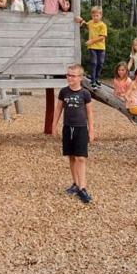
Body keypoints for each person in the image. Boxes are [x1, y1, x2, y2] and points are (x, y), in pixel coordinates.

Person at [52, 64, 95, 204]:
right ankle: (75, 184)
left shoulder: (85, 94)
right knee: (71, 157)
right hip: (67, 128)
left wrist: (92, 130)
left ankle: (83, 188)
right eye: (68, 75)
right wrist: (54, 125)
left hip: (81, 128)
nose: (70, 77)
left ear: (80, 77)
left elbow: (89, 113)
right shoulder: (64, 92)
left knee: (81, 158)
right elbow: (58, 109)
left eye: (73, 75)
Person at [77, 6, 107, 88]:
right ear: (91, 15)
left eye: (97, 16)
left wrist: (92, 41)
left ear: (101, 15)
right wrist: (81, 20)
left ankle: (97, 78)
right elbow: (86, 25)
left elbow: (102, 37)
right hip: (92, 47)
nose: (95, 17)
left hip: (101, 48)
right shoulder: (91, 22)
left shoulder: (102, 25)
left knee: (100, 63)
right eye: (93, 16)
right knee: (94, 63)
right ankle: (93, 81)